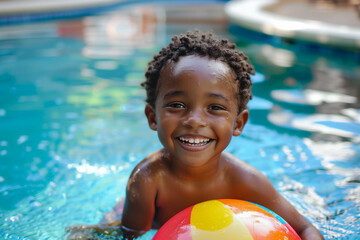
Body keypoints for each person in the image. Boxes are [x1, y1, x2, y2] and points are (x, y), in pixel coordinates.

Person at [67, 30, 324, 240]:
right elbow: (129, 237)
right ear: (152, 117)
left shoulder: (246, 181)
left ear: (239, 123)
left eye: (215, 108)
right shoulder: (146, 180)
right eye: (177, 105)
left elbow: (305, 229)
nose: (194, 120)